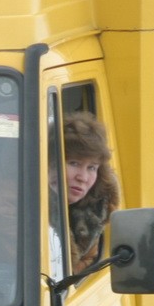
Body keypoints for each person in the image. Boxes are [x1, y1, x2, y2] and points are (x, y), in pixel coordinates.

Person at [59, 111, 120, 275]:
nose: (83, 177)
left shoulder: (94, 211)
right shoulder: (10, 201)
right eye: (74, 163)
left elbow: (87, 261)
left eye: (91, 168)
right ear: (51, 163)